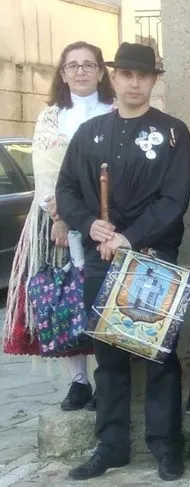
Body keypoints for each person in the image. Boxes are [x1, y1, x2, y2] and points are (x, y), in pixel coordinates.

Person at [57, 43, 190, 481]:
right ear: (112, 79)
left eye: (143, 75)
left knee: (158, 355)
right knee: (109, 356)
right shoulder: (89, 133)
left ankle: (167, 447)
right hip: (102, 255)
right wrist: (89, 225)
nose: (134, 83)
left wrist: (128, 237)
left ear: (154, 80)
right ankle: (111, 445)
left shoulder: (173, 133)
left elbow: (175, 199)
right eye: (126, 75)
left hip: (150, 256)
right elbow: (66, 191)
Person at [2, 41, 114, 412]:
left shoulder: (114, 112)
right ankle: (78, 380)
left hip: (105, 218)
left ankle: (106, 379)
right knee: (63, 297)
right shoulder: (50, 117)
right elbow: (48, 171)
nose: (81, 71)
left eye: (88, 64)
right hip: (56, 221)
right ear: (62, 73)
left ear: (100, 71)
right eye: (72, 66)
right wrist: (61, 217)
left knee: (102, 299)